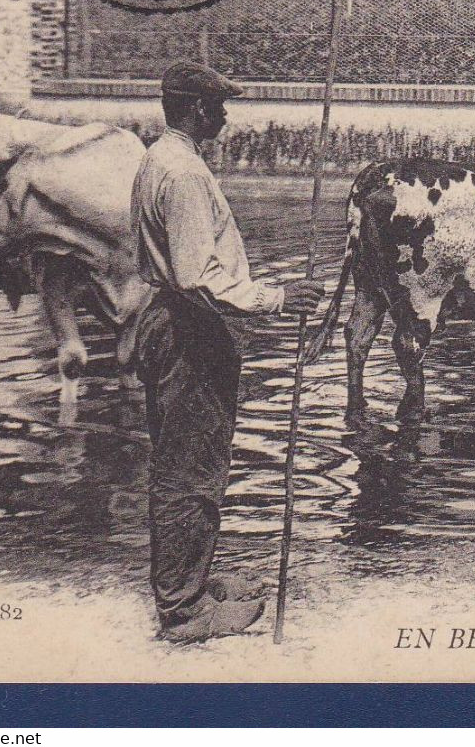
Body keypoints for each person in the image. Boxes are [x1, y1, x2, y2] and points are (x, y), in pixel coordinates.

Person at [131, 60, 324, 643]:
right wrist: (278, 297)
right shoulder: (185, 173)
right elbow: (197, 275)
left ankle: (190, 579)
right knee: (192, 471)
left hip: (168, 321)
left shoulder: (157, 157)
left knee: (182, 460)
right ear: (194, 108)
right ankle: (184, 610)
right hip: (189, 328)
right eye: (218, 107)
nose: (225, 117)